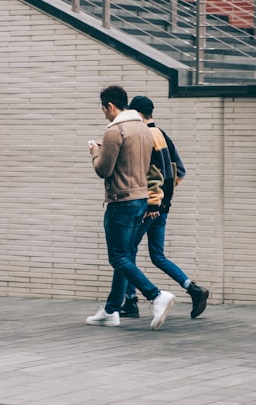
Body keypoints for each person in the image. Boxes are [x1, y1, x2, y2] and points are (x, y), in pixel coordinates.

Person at [86, 85, 176, 330]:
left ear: (111, 106)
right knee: (124, 256)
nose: (104, 114)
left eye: (104, 109)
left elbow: (104, 170)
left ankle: (156, 295)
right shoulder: (144, 130)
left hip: (121, 201)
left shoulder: (115, 131)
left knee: (117, 257)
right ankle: (111, 310)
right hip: (141, 200)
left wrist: (95, 153)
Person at [118, 95, 209, 319]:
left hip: (150, 208)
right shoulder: (164, 135)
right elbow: (179, 172)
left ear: (137, 114)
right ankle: (193, 289)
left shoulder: (147, 136)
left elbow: (158, 174)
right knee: (157, 256)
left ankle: (130, 301)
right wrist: (165, 201)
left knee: (125, 254)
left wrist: (154, 203)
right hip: (161, 207)